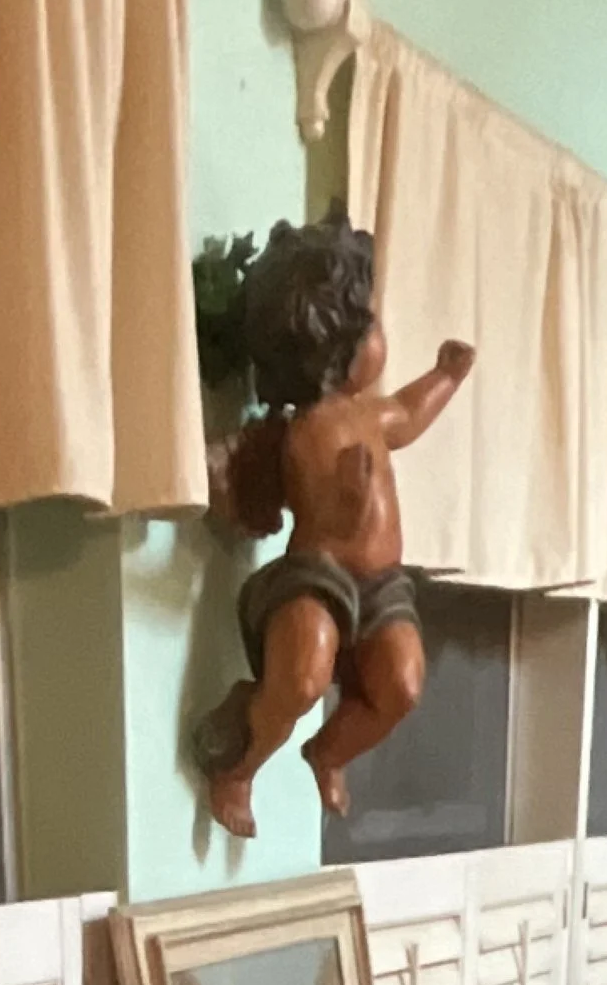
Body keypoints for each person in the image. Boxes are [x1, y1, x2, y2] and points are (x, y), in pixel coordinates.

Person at [198, 211, 474, 839]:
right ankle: (240, 769)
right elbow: (321, 500)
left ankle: (330, 752)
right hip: (315, 579)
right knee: (301, 676)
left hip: (381, 586)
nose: (381, 339)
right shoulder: (304, 431)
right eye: (370, 325)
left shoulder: (372, 414)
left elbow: (409, 410)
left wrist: (446, 376)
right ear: (332, 345)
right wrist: (345, 499)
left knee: (402, 684)